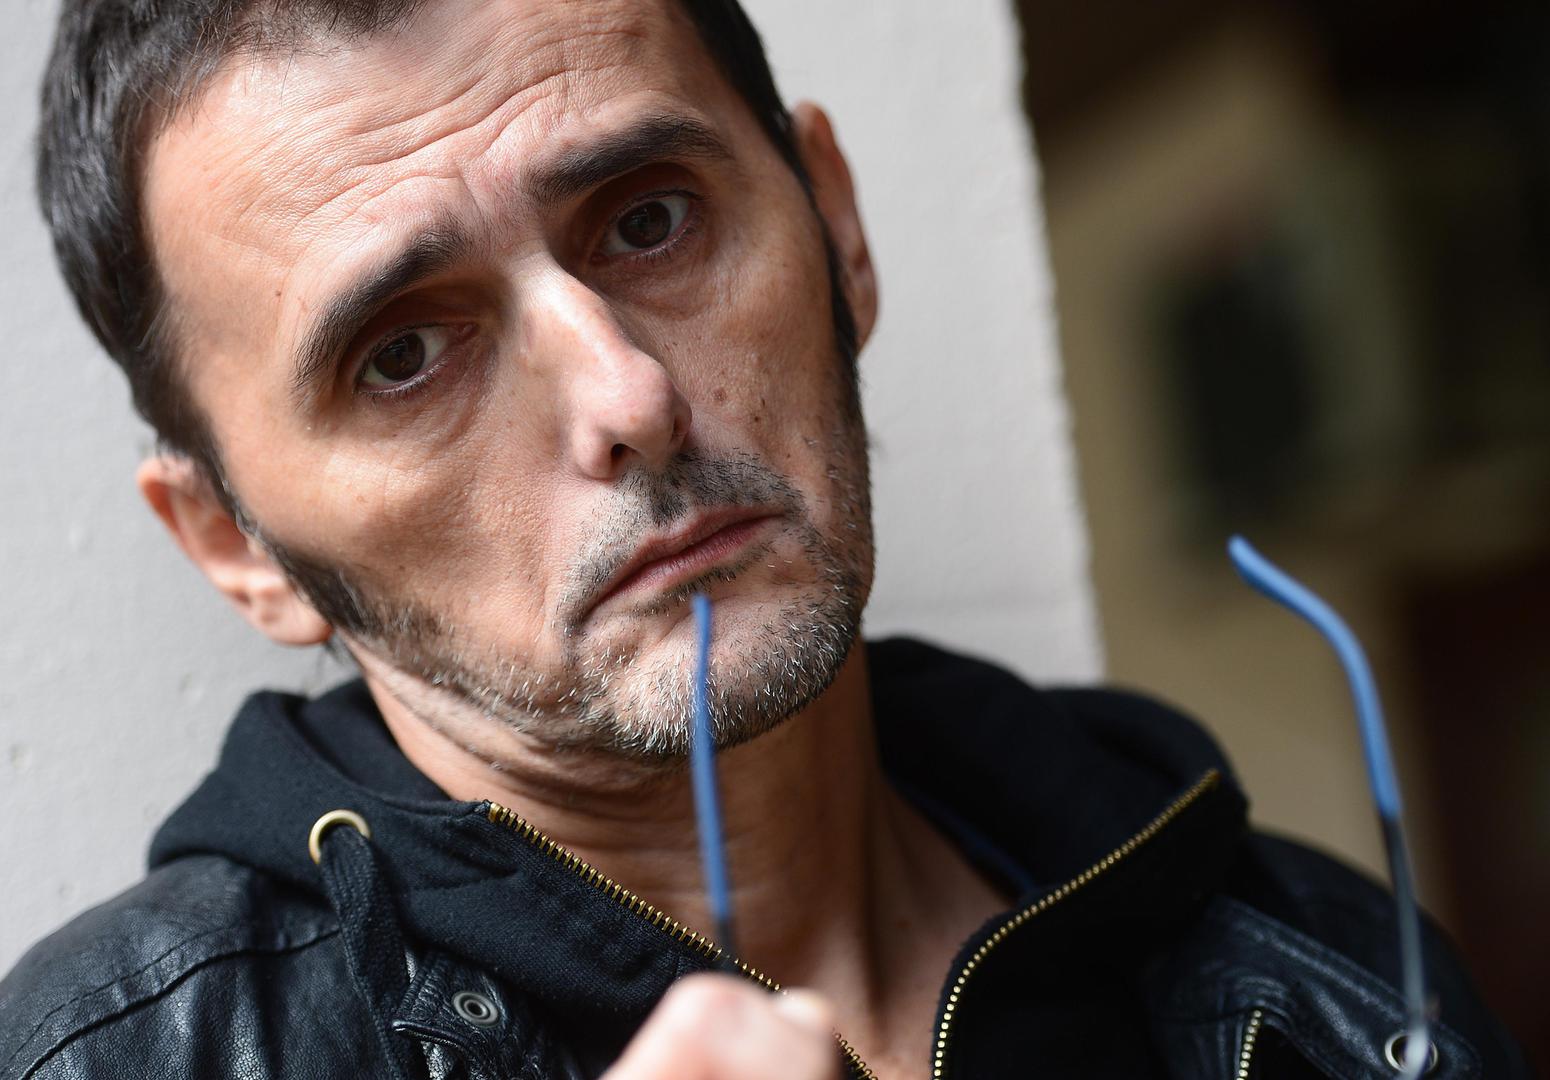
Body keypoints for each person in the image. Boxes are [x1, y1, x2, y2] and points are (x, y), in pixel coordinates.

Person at [0, 1, 1531, 1077]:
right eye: (402, 354)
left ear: (834, 228)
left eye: (648, 221)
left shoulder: (1321, 966)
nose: (628, 399)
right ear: (237, 547)